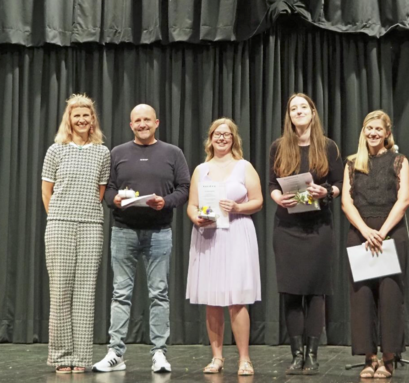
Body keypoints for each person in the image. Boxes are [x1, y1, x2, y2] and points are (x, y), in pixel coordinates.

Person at [92, 104, 190, 373]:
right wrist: (116, 201)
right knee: (120, 293)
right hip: (123, 231)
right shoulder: (118, 153)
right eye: (138, 120)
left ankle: (159, 353)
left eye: (147, 119)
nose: (143, 124)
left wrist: (165, 202)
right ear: (131, 124)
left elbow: (184, 188)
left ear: (156, 122)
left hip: (160, 231)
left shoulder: (173, 153)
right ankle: (116, 353)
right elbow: (108, 188)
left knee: (159, 293)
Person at [269, 93, 343, 375]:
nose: (298, 112)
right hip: (287, 229)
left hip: (318, 228)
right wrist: (277, 197)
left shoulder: (327, 146)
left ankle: (312, 355)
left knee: (315, 293)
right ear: (288, 116)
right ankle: (296, 354)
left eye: (303, 107)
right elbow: (270, 183)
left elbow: (338, 183)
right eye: (293, 108)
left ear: (313, 112)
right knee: (290, 293)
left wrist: (327, 192)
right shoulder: (279, 147)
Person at [186, 118, 263, 376]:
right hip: (208, 236)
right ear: (210, 138)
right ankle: (217, 357)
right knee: (212, 298)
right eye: (217, 134)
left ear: (233, 139)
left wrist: (238, 207)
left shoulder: (244, 167)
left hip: (237, 233)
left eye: (226, 134)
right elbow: (192, 204)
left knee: (237, 299)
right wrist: (195, 217)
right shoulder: (201, 169)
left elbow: (258, 201)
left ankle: (244, 359)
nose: (221, 138)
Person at [41, 94, 110, 373]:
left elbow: (100, 193)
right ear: (68, 120)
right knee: (60, 291)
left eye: (86, 115)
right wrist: (58, 218)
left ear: (93, 119)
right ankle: (61, 356)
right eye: (76, 115)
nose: (81, 120)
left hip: (91, 225)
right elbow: (47, 191)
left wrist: (84, 215)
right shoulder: (55, 150)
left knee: (85, 292)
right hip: (60, 224)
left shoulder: (103, 152)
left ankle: (81, 357)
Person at [341, 110, 409, 379]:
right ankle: (369, 357)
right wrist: (366, 230)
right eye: (369, 128)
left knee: (391, 296)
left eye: (378, 129)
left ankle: (389, 358)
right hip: (360, 232)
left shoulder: (399, 160)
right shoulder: (351, 163)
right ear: (363, 131)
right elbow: (346, 202)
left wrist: (380, 232)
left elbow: (403, 200)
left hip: (390, 231)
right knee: (362, 297)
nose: (373, 133)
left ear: (387, 133)